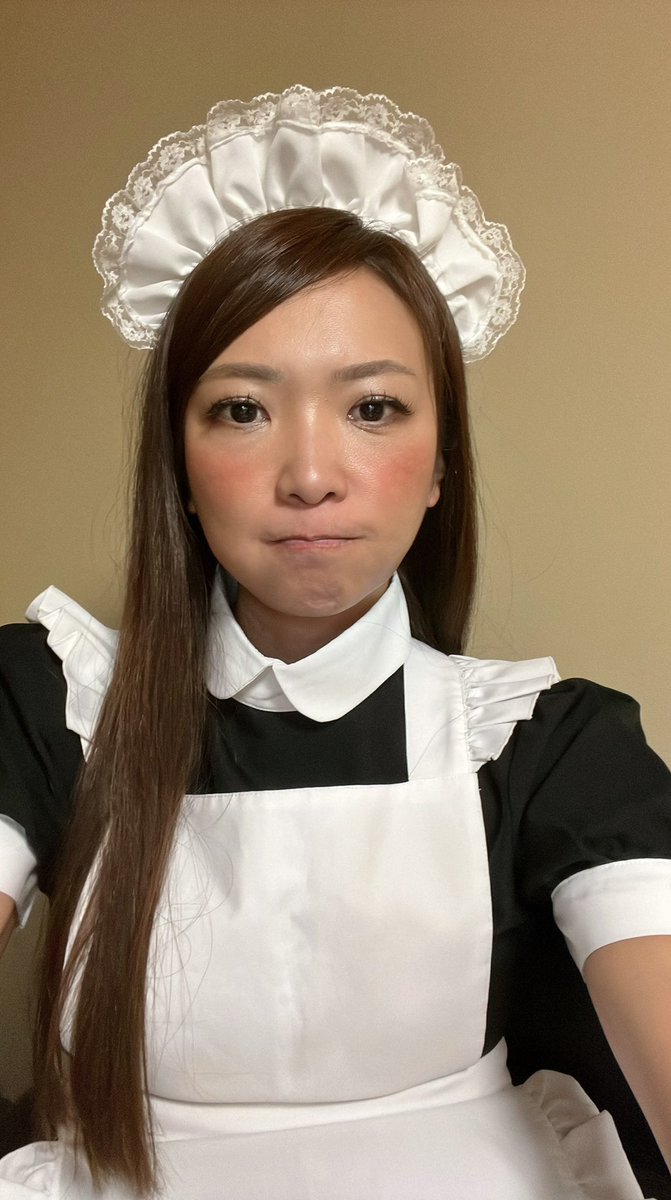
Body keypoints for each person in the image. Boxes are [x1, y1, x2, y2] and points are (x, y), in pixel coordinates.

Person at [0, 85, 669, 1200]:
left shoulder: (545, 742)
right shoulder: (52, 702)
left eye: (371, 408)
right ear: (179, 469)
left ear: (441, 462)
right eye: (241, 410)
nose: (310, 475)